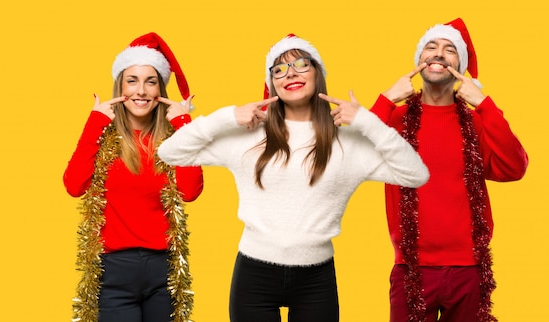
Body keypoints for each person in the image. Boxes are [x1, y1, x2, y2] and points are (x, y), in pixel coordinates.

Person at [157, 34, 429, 322]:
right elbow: (171, 152)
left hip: (317, 279)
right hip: (254, 275)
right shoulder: (248, 136)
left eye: (301, 64)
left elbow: (415, 173)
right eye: (279, 69)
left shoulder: (347, 142)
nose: (291, 74)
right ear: (272, 83)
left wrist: (365, 121)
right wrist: (227, 116)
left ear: (317, 74)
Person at [370, 18, 529, 322]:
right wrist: (387, 99)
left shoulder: (477, 121)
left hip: (469, 270)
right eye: (431, 47)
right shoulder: (394, 121)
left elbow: (514, 166)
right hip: (411, 271)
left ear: (460, 66)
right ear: (420, 61)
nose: (439, 53)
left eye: (450, 49)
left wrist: (484, 104)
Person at [63, 32, 204, 322]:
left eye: (150, 81)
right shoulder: (104, 139)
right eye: (132, 81)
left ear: (160, 89)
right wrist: (95, 123)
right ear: (121, 86)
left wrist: (183, 125)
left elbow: (190, 192)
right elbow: (73, 186)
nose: (141, 91)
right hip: (114, 269)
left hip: (163, 271)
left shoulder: (171, 142)